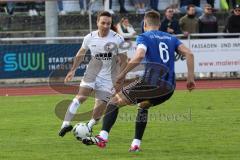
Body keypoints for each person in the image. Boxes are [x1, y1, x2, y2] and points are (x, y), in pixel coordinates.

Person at [82, 10, 195, 151]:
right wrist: (190, 78)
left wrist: (122, 74)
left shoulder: (144, 36)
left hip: (151, 83)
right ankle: (136, 145)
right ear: (159, 24)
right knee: (143, 106)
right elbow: (189, 53)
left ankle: (103, 137)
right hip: (169, 87)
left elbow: (139, 56)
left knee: (113, 102)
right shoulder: (171, 38)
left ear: (145, 24)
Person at [58, 11, 128, 137]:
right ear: (97, 23)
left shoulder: (118, 39)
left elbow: (124, 60)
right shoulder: (89, 37)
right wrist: (72, 70)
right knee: (81, 97)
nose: (106, 26)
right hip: (92, 72)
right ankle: (65, 124)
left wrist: (120, 78)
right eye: (103, 23)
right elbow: (80, 54)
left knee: (98, 110)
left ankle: (88, 127)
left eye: (108, 23)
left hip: (108, 77)